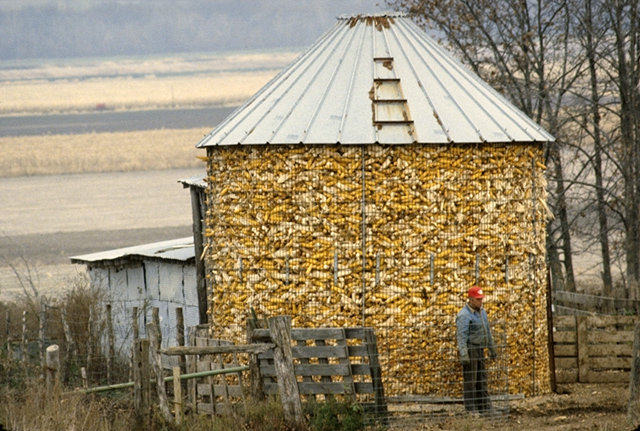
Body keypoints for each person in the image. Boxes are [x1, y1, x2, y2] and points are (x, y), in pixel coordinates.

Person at [456, 285, 497, 414]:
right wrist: (464, 354)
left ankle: (485, 407)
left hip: (480, 348)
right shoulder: (464, 315)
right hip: (471, 350)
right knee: (471, 380)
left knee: (482, 379)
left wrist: (491, 348)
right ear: (471, 300)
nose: (481, 301)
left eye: (481, 299)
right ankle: (471, 409)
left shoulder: (482, 312)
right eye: (478, 299)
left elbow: (488, 331)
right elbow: (461, 336)